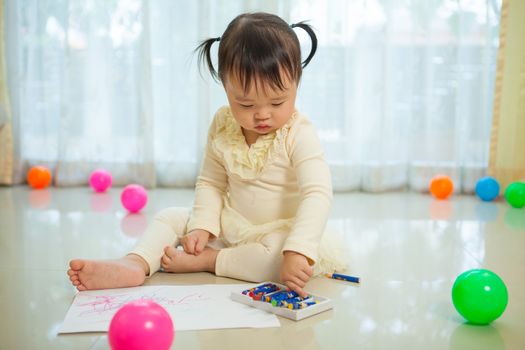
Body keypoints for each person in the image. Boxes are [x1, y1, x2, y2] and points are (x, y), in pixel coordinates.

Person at [67, 12, 346, 297]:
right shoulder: (223, 125)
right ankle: (136, 263)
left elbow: (317, 192)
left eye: (277, 101)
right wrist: (202, 227)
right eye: (246, 104)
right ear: (225, 87)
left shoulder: (299, 132)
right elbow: (212, 183)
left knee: (278, 255)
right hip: (231, 224)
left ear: (296, 83)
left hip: (278, 232)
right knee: (171, 217)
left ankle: (209, 261)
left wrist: (298, 250)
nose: (262, 114)